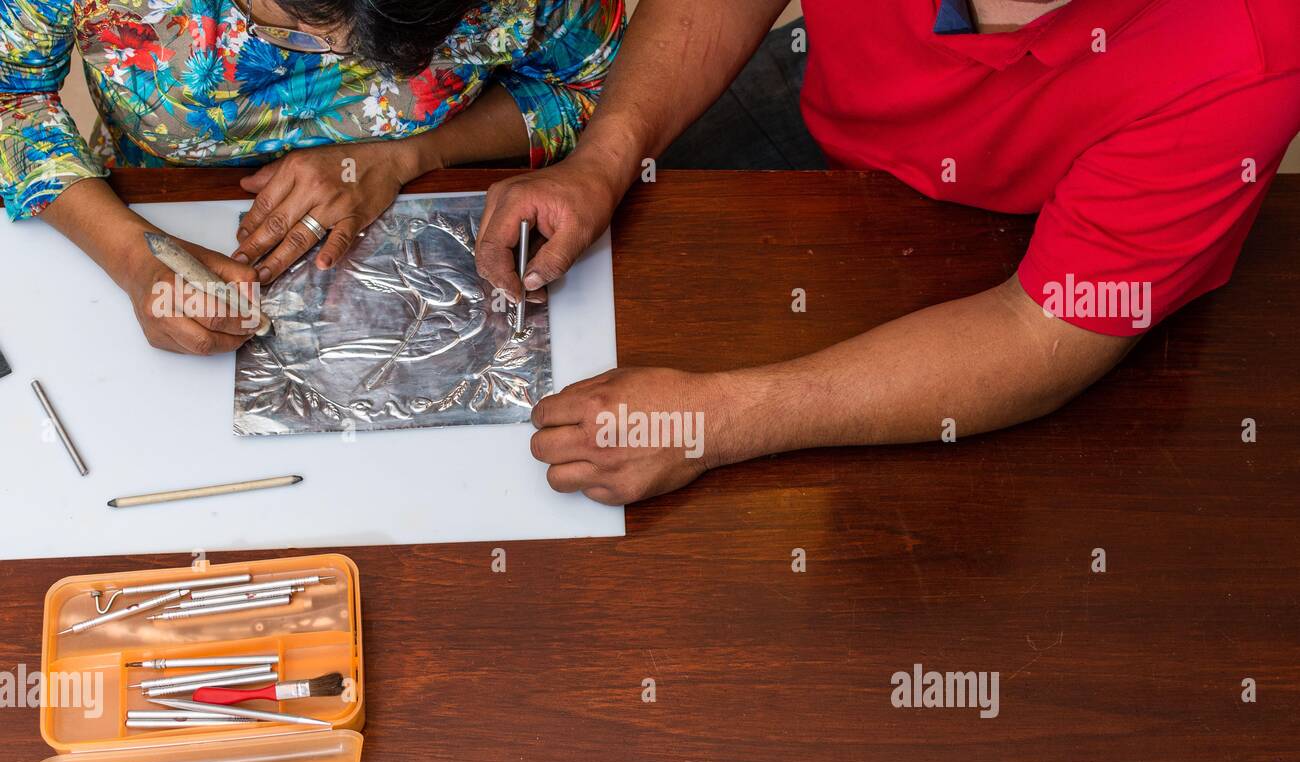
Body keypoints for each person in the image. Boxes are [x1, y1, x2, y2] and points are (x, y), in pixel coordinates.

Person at [473, 0, 1300, 506]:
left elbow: (1042, 331)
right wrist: (605, 158)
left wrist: (713, 422)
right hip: (833, 131)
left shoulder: (1256, 45)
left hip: (1026, 244)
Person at [0, 0, 623, 353]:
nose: (334, 60)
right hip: (142, 206)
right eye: (297, 28)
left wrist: (409, 155)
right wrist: (133, 258)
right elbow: (13, 98)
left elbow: (587, 86)